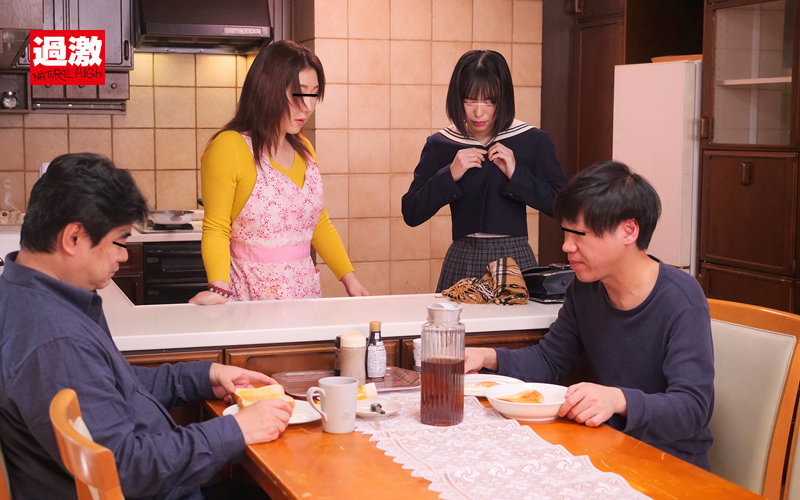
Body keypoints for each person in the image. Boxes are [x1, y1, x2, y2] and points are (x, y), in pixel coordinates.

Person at [0, 153, 292, 500]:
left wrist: (204, 376)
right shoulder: (55, 341)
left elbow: (113, 384)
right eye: (119, 240)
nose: (124, 255)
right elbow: (126, 467)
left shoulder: (33, 298)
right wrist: (236, 430)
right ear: (73, 238)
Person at [465, 161, 715, 470]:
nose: (566, 246)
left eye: (579, 235)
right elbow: (549, 361)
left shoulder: (680, 298)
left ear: (628, 231)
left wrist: (618, 400)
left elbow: (693, 408)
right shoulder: (586, 289)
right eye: (566, 233)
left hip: (671, 462)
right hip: (610, 446)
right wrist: (487, 356)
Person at [190, 40, 367, 305]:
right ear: (268, 90)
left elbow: (319, 223)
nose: (307, 107)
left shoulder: (304, 148)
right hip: (250, 295)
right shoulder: (229, 146)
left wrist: (349, 279)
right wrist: (219, 288)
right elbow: (216, 227)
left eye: (314, 94)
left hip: (303, 294)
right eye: (299, 94)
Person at [401, 49, 566, 292]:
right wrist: (450, 174)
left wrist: (517, 174)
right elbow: (411, 212)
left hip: (514, 258)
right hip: (463, 256)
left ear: (504, 99)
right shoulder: (441, 143)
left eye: (490, 101)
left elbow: (563, 206)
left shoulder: (532, 140)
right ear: (457, 98)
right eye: (470, 100)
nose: (479, 112)